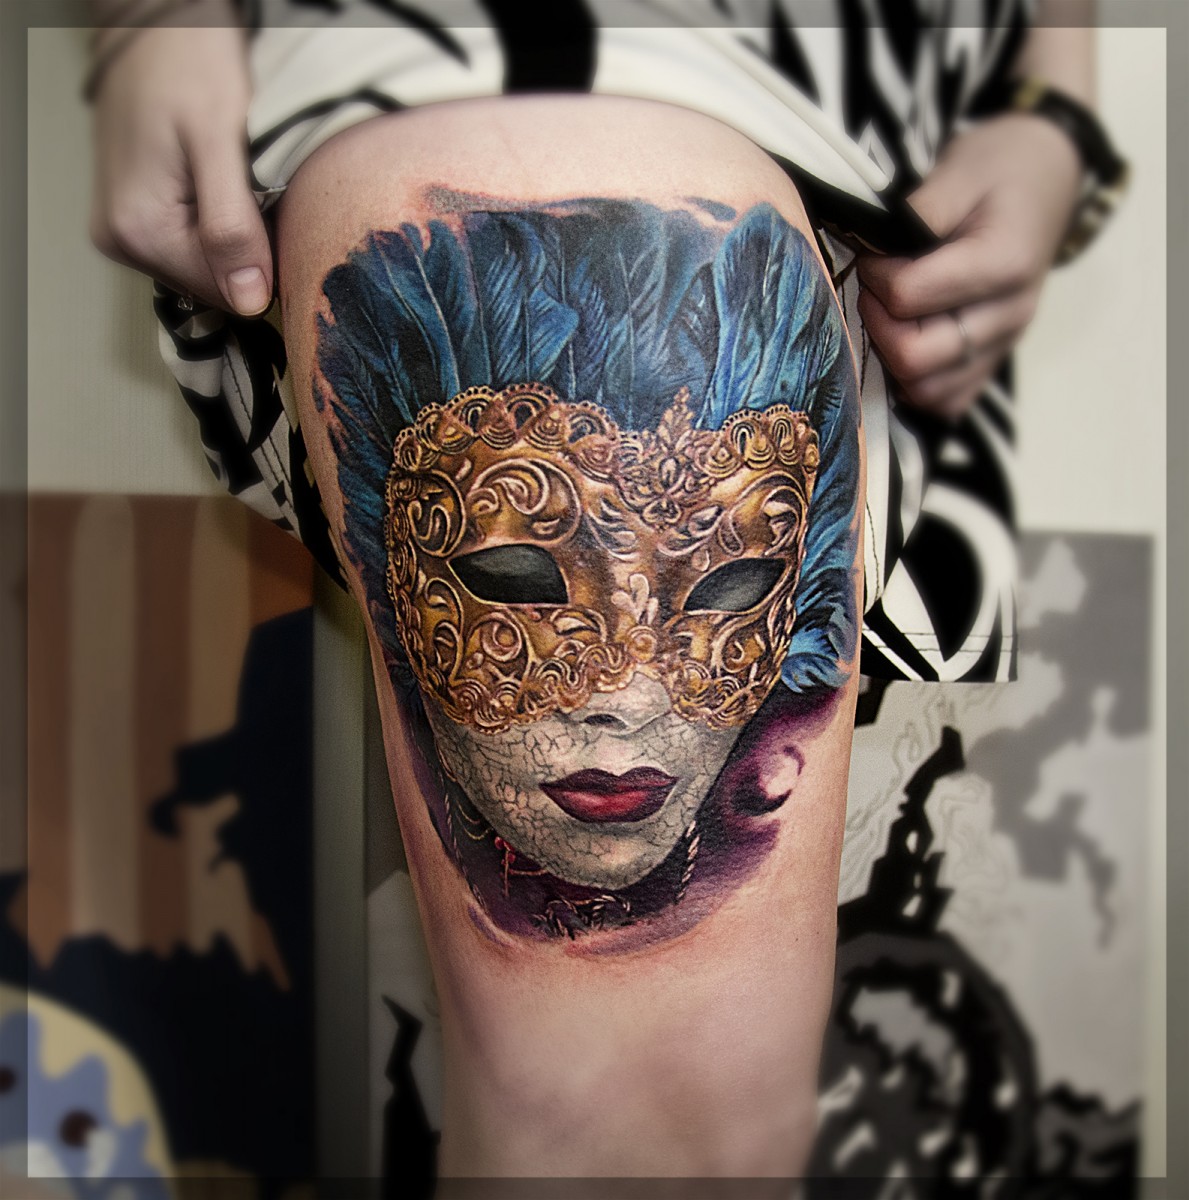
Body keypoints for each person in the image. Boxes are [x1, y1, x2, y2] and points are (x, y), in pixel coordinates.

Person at [87, 0, 1123, 1181]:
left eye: (727, 585)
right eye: (513, 575)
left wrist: (1051, 98)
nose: (627, 699)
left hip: (892, 153)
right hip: (566, 57)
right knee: (642, 1126)